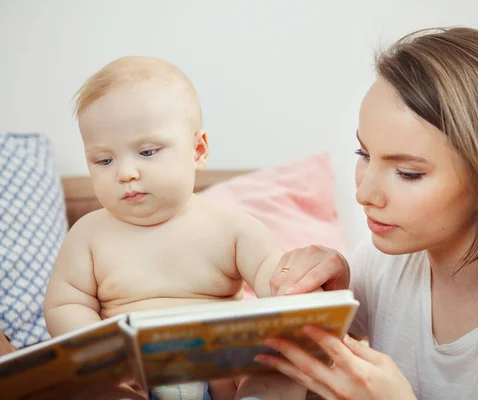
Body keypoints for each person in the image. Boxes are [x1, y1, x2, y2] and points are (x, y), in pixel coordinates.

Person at [266, 27, 478, 399]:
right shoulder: (378, 266)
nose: (364, 193)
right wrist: (320, 312)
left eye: (408, 173)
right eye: (364, 155)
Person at [43, 56, 307, 400]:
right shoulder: (88, 234)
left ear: (198, 150)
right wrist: (104, 358)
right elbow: (64, 305)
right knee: (86, 386)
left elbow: (277, 279)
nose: (125, 172)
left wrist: (297, 292)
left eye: (147, 151)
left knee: (284, 367)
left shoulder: (231, 227)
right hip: (134, 375)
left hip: (223, 370)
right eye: (104, 160)